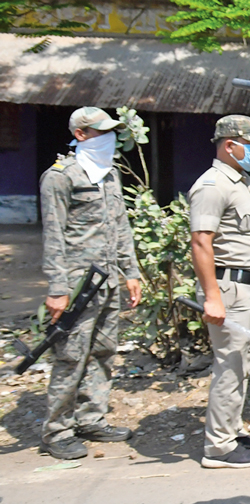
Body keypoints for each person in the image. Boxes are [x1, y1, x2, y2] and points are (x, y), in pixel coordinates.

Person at [37, 107, 142, 460]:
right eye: (102, 132)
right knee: (70, 357)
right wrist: (57, 287)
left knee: (102, 353)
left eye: (113, 132)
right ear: (80, 135)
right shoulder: (60, 177)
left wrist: (132, 272)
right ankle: (57, 430)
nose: (110, 138)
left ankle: (90, 418)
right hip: (77, 285)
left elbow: (121, 227)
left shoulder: (109, 174)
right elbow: (53, 236)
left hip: (109, 282)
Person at [189, 115, 250, 469]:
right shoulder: (212, 185)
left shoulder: (239, 183)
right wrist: (212, 296)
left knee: (241, 364)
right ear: (229, 145)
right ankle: (219, 447)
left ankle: (232, 429)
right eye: (249, 144)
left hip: (245, 289)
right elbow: (200, 242)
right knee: (229, 366)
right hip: (227, 287)